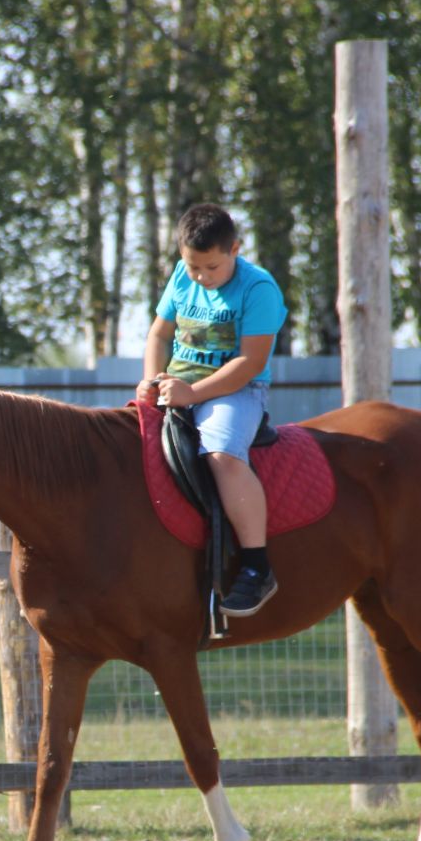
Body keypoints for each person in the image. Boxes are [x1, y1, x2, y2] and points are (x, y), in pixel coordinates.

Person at [136, 202, 289, 615]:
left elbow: (250, 362)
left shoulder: (259, 289)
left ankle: (257, 566)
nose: (202, 277)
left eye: (212, 268)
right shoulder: (181, 279)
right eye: (193, 267)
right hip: (175, 387)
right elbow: (159, 335)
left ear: (235, 249)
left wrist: (193, 393)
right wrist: (152, 378)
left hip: (235, 390)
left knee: (221, 455)